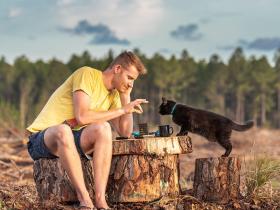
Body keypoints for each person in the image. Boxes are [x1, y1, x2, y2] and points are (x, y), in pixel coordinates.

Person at [26, 51, 148, 210]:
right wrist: (123, 110)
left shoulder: (115, 95)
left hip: (73, 140)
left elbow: (125, 132)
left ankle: (100, 200)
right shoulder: (87, 74)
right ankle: (84, 199)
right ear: (117, 68)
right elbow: (82, 117)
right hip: (42, 139)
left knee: (104, 128)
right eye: (129, 78)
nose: (131, 84)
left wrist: (126, 97)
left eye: (134, 81)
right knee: (63, 131)